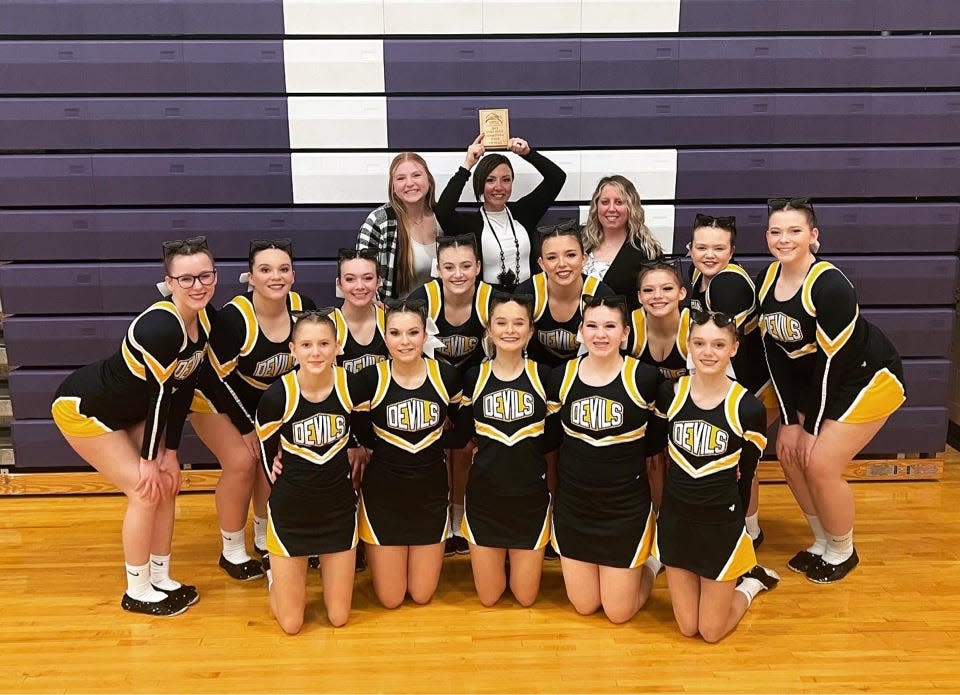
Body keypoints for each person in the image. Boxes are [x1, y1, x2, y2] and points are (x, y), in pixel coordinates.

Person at [51, 236, 216, 616]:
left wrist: (171, 454)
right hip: (84, 408)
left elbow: (184, 388)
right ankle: (137, 588)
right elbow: (160, 397)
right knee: (144, 489)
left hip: (131, 410)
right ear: (169, 283)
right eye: (187, 279)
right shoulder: (162, 326)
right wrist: (148, 461)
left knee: (167, 484)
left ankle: (161, 577)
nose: (198, 285)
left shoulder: (203, 320)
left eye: (205, 276)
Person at [758, 197, 906, 583]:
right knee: (788, 453)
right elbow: (775, 355)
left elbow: (831, 363)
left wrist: (810, 428)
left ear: (813, 235)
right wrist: (790, 422)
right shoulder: (766, 280)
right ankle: (822, 540)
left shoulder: (830, 285)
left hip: (867, 377)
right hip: (819, 382)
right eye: (776, 231)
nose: (784, 239)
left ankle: (843, 549)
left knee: (821, 462)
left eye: (794, 231)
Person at [647, 310, 780, 643]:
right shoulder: (670, 394)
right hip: (677, 522)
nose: (708, 352)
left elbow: (747, 474)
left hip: (720, 525)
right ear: (688, 346)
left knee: (711, 632)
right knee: (687, 627)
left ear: (734, 348)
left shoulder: (747, 407)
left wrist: (735, 525)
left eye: (719, 344)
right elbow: (657, 457)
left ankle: (750, 584)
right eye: (700, 343)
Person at [190, 239, 315, 581]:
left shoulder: (304, 309)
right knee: (243, 461)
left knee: (276, 459)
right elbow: (218, 381)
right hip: (213, 400)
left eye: (283, 269)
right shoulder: (234, 318)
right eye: (265, 270)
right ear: (251, 277)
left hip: (262, 404)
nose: (276, 276)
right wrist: (247, 428)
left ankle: (263, 536)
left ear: (293, 274)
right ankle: (231, 549)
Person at [547, 296, 661, 623]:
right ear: (580, 331)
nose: (601, 334)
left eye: (610, 326)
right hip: (575, 508)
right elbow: (553, 444)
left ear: (625, 333)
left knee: (618, 612)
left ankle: (653, 565)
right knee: (584, 606)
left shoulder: (645, 379)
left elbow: (654, 452)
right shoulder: (562, 377)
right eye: (592, 326)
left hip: (624, 510)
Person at [351, 300, 463, 608]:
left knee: (422, 595)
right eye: (396, 333)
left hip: (429, 494)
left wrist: (435, 443)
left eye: (413, 332)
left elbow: (464, 429)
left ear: (425, 336)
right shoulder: (369, 379)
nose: (405, 341)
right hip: (384, 497)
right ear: (384, 337)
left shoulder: (446, 376)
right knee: (390, 599)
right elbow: (357, 428)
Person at [256, 310, 360, 632]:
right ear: (293, 349)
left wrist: (357, 445)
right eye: (306, 344)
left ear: (337, 346)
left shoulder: (351, 387)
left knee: (339, 617)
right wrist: (273, 467)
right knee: (290, 624)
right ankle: (277, 575)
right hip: (292, 511)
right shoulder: (277, 396)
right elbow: (265, 453)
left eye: (324, 343)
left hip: (338, 509)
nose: (315, 352)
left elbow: (365, 429)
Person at [453, 292, 559, 606]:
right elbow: (461, 436)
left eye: (518, 323)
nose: (509, 330)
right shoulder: (474, 377)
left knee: (526, 598)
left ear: (530, 331)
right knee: (488, 597)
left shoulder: (545, 377)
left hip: (529, 500)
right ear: (489, 329)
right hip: (485, 499)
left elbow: (553, 440)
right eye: (501, 322)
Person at [687, 214, 776, 548]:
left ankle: (749, 531)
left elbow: (717, 346)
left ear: (732, 250)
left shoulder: (729, 283)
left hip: (756, 387)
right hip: (734, 381)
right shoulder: (700, 275)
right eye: (702, 247)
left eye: (719, 248)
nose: (709, 254)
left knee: (740, 460)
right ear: (690, 248)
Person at [409, 234, 493, 555]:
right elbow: (409, 355)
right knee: (438, 451)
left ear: (478, 268)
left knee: (466, 448)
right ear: (438, 269)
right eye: (449, 267)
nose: (458, 274)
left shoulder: (490, 301)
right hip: (434, 388)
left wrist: (471, 412)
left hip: (473, 388)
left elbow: (500, 359)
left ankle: (459, 518)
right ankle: (440, 518)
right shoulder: (424, 301)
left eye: (465, 266)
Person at [435, 134, 566, 291]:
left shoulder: (523, 213)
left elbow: (557, 178)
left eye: (506, 180)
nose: (499, 187)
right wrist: (467, 165)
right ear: (480, 183)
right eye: (490, 180)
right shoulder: (470, 224)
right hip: (489, 304)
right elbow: (443, 211)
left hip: (528, 299)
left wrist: (527, 153)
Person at [627, 259, 691, 509]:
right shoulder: (628, 327)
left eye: (667, 289)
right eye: (649, 290)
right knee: (651, 458)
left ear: (681, 293)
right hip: (645, 412)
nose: (658, 296)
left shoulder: (695, 327)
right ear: (640, 297)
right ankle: (657, 516)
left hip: (685, 412)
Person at [517, 222, 614, 369]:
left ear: (584, 258)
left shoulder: (602, 296)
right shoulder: (526, 293)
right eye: (552, 258)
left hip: (585, 376)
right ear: (541, 264)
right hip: (536, 376)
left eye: (570, 255)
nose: (562, 264)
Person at [357, 152, 441, 299]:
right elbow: (362, 277)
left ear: (429, 180)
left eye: (416, 175)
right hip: (396, 316)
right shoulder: (379, 221)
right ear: (393, 188)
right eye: (401, 178)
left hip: (439, 314)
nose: (409, 183)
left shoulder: (443, 217)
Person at [581, 175, 663, 304]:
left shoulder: (647, 251)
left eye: (619, 202)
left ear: (631, 207)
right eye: (605, 202)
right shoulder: (580, 241)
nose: (611, 208)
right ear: (596, 206)